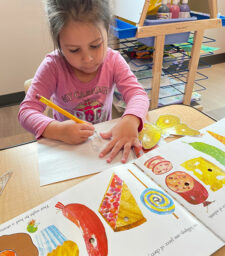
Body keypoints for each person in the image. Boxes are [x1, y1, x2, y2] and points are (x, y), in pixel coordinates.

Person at [18, 0, 149, 163]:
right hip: (67, 148)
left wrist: (130, 119)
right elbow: (26, 112)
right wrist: (58, 130)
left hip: (102, 144)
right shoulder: (53, 67)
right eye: (74, 50)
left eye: (95, 45)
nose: (87, 59)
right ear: (59, 43)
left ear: (107, 30)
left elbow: (138, 95)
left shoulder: (113, 61)